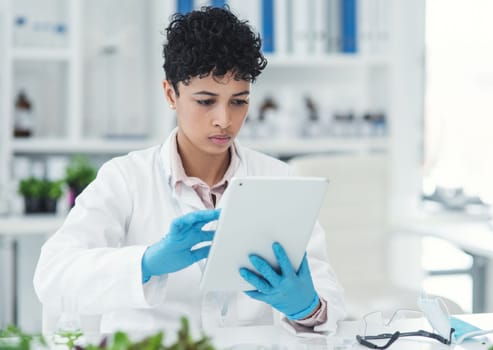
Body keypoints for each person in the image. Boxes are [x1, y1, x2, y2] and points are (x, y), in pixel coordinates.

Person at [33, 6, 346, 336]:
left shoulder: (280, 179)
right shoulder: (124, 179)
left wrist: (308, 307)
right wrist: (147, 262)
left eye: (238, 101)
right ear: (171, 94)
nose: (223, 120)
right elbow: (52, 277)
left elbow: (327, 298)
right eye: (205, 101)